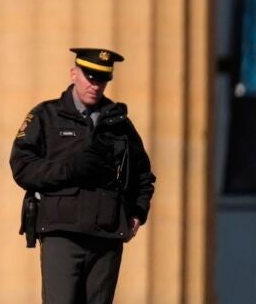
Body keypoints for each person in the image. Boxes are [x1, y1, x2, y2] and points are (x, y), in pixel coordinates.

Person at [10, 47, 155, 304]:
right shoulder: (46, 115)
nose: (96, 85)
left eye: (102, 79)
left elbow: (143, 175)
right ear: (73, 74)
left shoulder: (119, 123)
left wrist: (138, 212)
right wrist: (68, 170)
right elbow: (22, 166)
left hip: (106, 235)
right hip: (62, 233)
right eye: (90, 76)